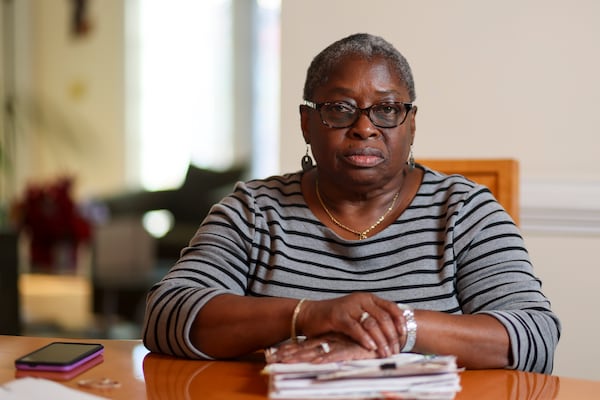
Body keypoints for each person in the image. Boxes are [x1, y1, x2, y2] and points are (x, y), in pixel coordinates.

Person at [142, 33, 560, 374]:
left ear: (411, 125)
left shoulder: (466, 212)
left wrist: (393, 331)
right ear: (307, 123)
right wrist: (308, 315)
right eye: (340, 109)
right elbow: (166, 315)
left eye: (387, 109)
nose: (364, 128)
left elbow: (534, 334)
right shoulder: (254, 211)